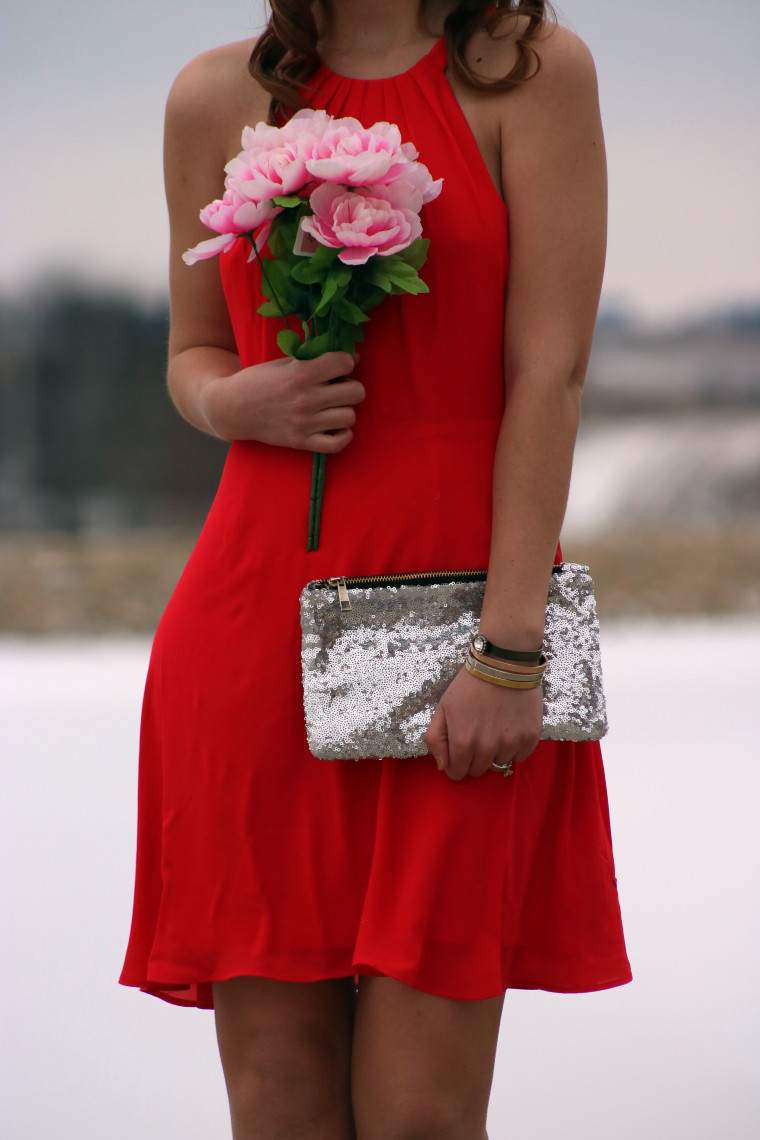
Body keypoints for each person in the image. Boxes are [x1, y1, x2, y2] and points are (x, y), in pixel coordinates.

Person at [120, 1, 631, 1137]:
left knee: (421, 1121)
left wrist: (508, 652)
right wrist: (227, 399)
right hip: (248, 630)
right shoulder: (212, 95)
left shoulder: (526, 74)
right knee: (281, 1110)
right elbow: (191, 350)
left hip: (462, 631)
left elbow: (548, 374)